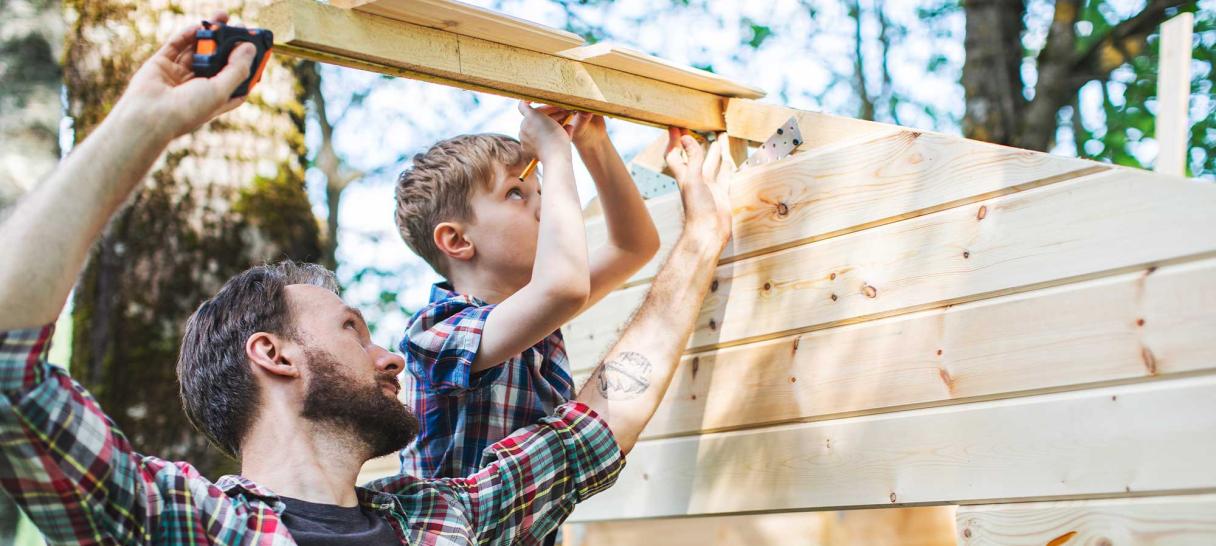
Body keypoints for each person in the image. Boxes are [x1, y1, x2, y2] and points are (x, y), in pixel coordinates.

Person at [0, 13, 733, 546]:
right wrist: (144, 121)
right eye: (352, 329)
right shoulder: (189, 527)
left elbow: (597, 427)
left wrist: (702, 238)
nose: (391, 356)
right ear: (274, 354)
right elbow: (11, 374)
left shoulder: (448, 519)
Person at [392, 104, 658, 492]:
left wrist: (593, 144)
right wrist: (553, 153)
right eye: (516, 193)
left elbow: (634, 246)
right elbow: (564, 287)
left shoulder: (536, 316)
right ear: (457, 240)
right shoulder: (435, 334)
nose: (544, 206)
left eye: (541, 191)